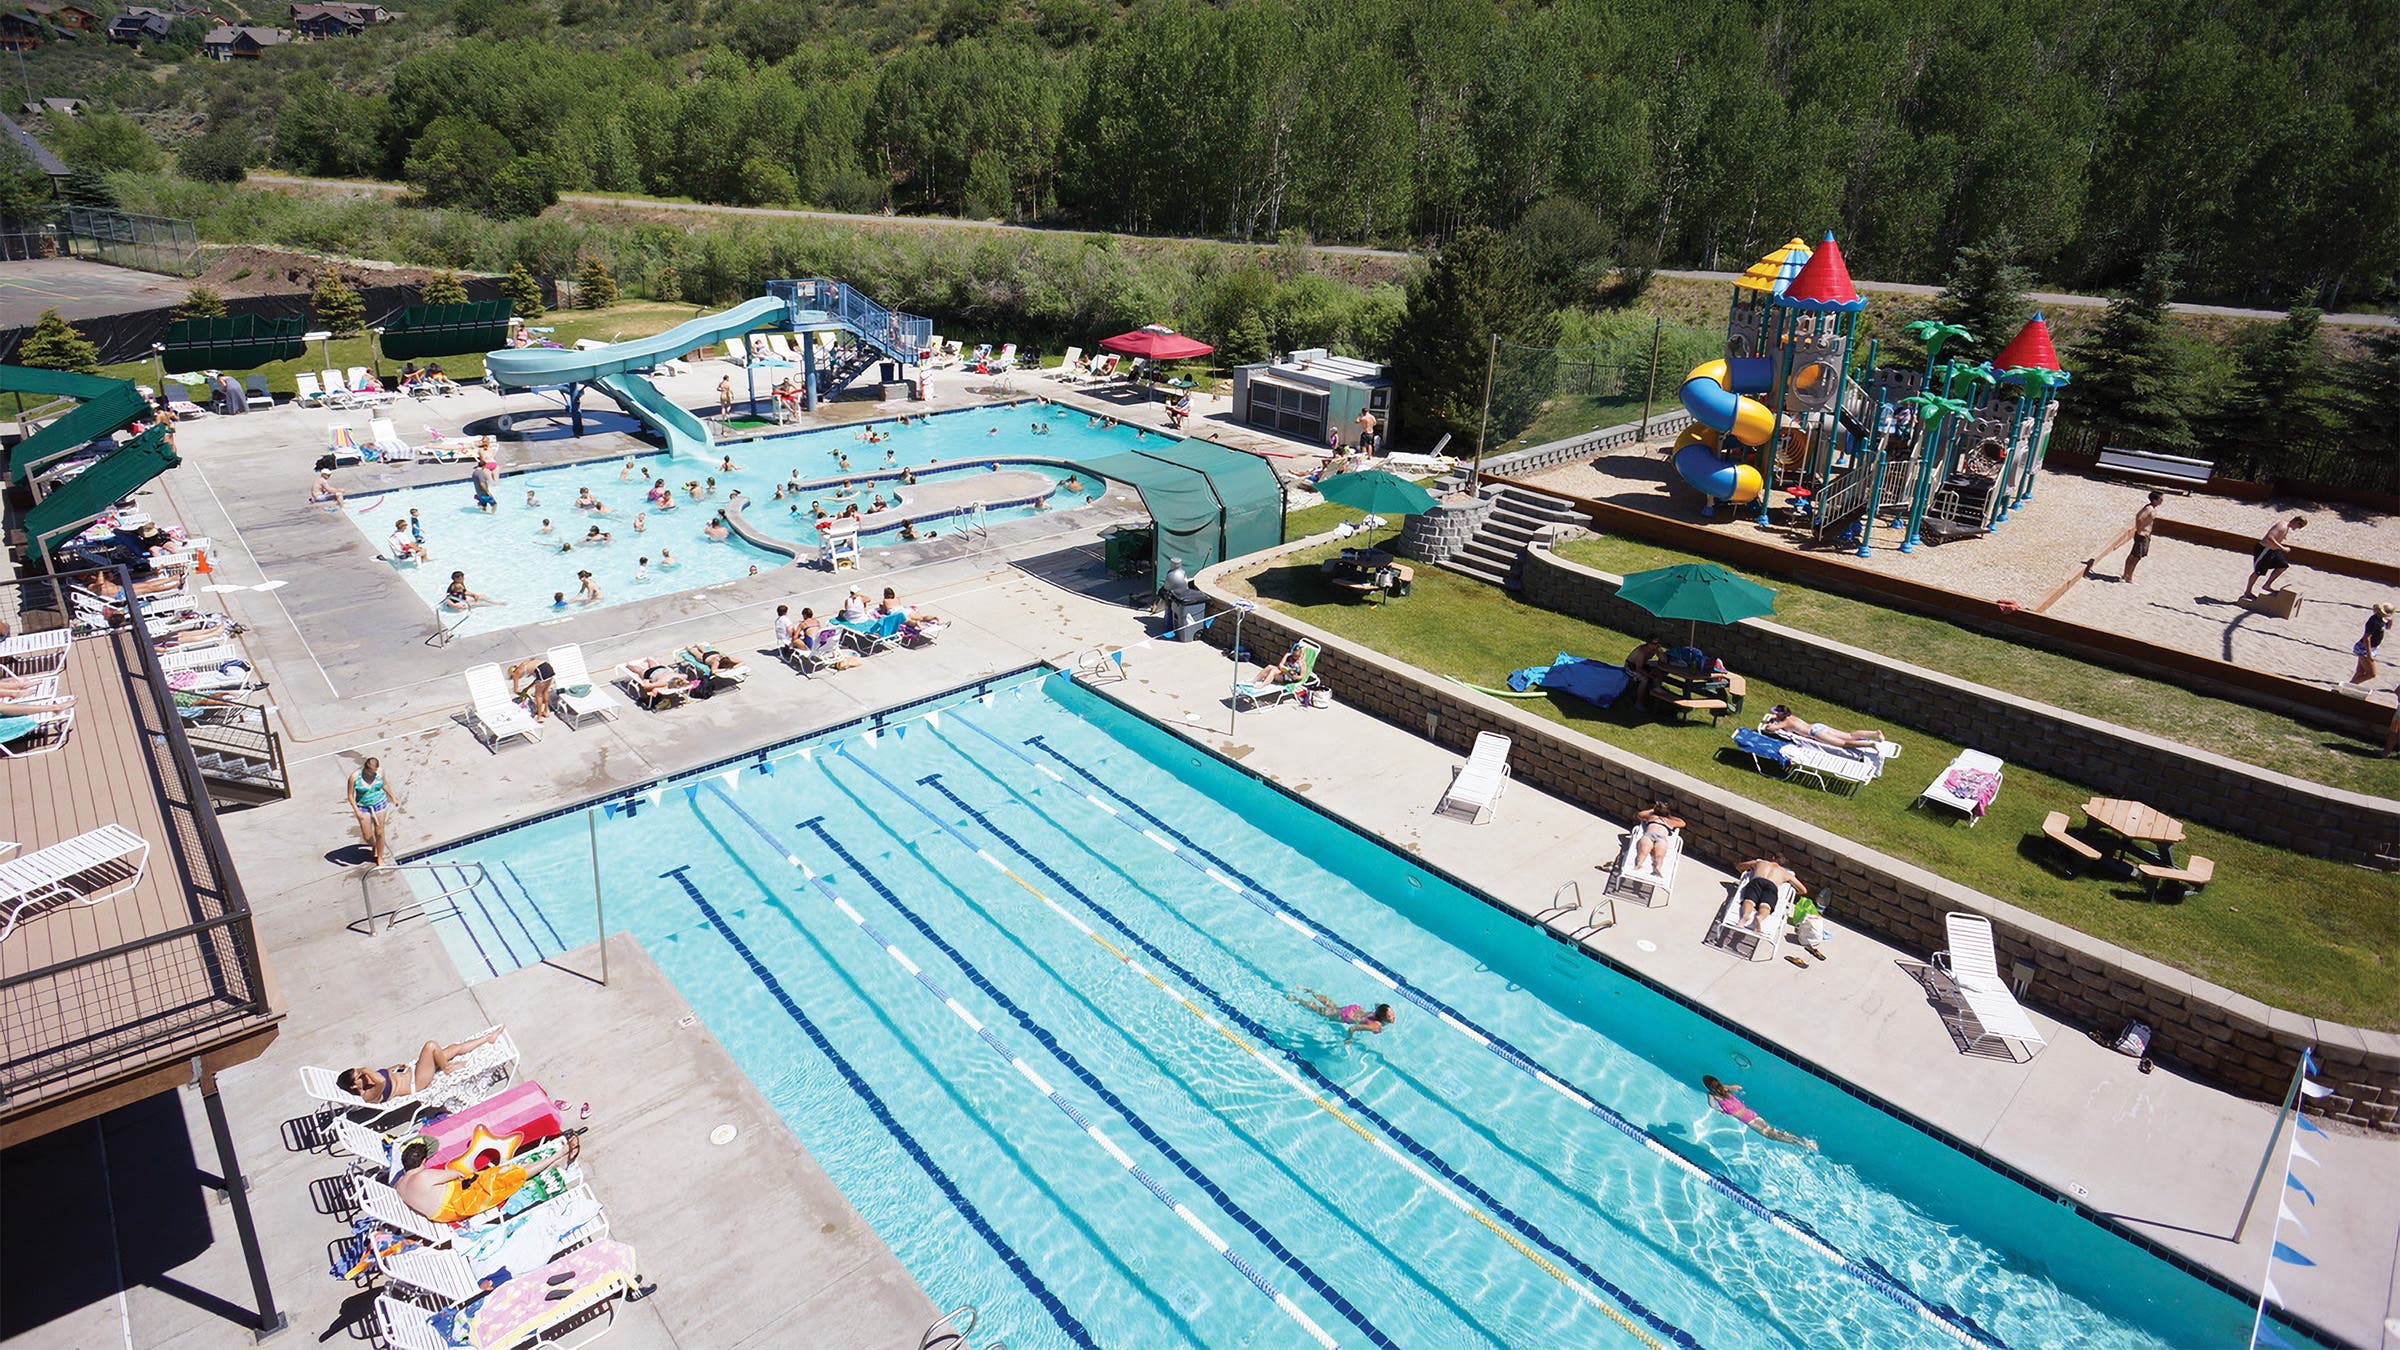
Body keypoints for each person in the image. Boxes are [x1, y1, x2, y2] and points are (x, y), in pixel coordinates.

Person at [393, 1133, 581, 1225]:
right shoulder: (423, 1176)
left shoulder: (399, 1184)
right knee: (511, 1176)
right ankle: (557, 1156)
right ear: (423, 1161)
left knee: (499, 1173)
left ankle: (554, 1162)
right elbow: (456, 1174)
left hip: (444, 1211)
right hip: (458, 1204)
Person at [334, 1027, 507, 1105]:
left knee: (454, 1048)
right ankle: (447, 1068)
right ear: (353, 1086)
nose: (363, 1075)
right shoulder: (367, 1095)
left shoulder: (367, 1080)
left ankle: (488, 1038)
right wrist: (364, 1069)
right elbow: (381, 1081)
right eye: (359, 1076)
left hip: (414, 1071)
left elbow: (385, 1074)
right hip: (417, 1082)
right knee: (431, 1046)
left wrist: (396, 1068)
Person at [1700, 1075, 1815, 1150]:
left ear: (1708, 1087)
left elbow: (1711, 1105)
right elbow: (1738, 1087)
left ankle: (1800, 1143)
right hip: (1751, 1113)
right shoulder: (1724, 1088)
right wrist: (1731, 1088)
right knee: (1772, 1130)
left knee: (1770, 1135)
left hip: (1747, 1119)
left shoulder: (1712, 1095)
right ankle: (1801, 1140)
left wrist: (1719, 1110)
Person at [1290, 988, 1397, 1045]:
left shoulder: (1378, 1012)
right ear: (1382, 1017)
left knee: (1332, 1006)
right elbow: (1352, 1028)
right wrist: (1348, 1039)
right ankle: (1296, 999)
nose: (1393, 1017)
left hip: (1354, 1009)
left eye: (1392, 1014)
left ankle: (1311, 992)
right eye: (1390, 1016)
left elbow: (1377, 1005)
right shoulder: (1375, 1026)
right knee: (1320, 1011)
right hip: (1346, 1016)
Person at [1731, 855, 1805, 934]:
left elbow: (1739, 866)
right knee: (1766, 905)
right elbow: (1803, 890)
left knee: (1750, 900)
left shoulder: (1760, 862)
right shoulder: (1786, 873)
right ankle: (1760, 918)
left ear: (1773, 858)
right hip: (1772, 886)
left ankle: (1745, 916)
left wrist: (1745, 876)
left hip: (1757, 881)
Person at [348, 756, 398, 868]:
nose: (373, 775)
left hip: (379, 804)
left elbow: (384, 784)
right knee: (367, 836)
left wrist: (393, 797)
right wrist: (357, 811)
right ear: (366, 768)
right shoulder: (354, 777)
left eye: (375, 772)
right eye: (371, 772)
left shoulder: (380, 772)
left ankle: (380, 857)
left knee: (379, 832)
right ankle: (374, 845)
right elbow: (350, 796)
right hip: (363, 806)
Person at [2243, 514, 2307, 599]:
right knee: (2258, 572)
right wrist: (2282, 548)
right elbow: (2270, 537)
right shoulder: (2282, 526)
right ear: (2297, 522)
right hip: (2264, 549)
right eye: (2300, 526)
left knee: (2283, 566)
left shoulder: (2286, 527)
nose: (2299, 528)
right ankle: (2248, 592)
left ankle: (2267, 585)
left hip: (2273, 550)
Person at [1761, 705, 1883, 750]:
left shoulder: (1785, 723)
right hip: (1818, 726)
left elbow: (1769, 729)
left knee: (1843, 743)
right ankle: (1875, 733)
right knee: (1849, 735)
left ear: (1781, 714)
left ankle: (1870, 745)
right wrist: (1775, 717)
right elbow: (1779, 718)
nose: (1774, 714)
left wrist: (1771, 723)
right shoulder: (1791, 717)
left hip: (1815, 733)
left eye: (1776, 713)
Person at [2118, 490, 2163, 582]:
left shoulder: (2151, 508)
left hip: (2145, 535)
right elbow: (2139, 518)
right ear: (2155, 500)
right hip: (2142, 535)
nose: (2162, 501)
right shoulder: (2149, 509)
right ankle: (2127, 576)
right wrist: (2139, 530)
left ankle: (2127, 575)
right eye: (2160, 499)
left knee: (2136, 556)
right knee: (2135, 556)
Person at [1631, 802, 1683, 875]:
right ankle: (1639, 864)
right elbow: (1640, 814)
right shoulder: (1652, 817)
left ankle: (1657, 868)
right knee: (1643, 852)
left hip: (1661, 839)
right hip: (1649, 836)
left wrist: (1669, 816)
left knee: (1659, 856)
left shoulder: (1670, 821)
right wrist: (1652, 811)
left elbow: (1682, 823)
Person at [2354, 603, 2394, 685]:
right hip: (2365, 649)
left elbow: (2387, 627)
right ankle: (2350, 684)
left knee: (2360, 672)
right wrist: (2369, 654)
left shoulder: (2381, 619)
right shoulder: (2374, 622)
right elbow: (2366, 638)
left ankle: (2349, 686)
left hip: (2372, 648)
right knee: (2372, 674)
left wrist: (2390, 621)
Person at [509, 656, 555, 721]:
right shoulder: (524, 665)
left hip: (541, 669)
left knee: (538, 695)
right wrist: (527, 688)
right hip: (547, 667)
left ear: (512, 673)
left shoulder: (515, 673)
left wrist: (523, 694)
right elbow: (537, 680)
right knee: (545, 691)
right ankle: (545, 712)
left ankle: (539, 717)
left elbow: (516, 690)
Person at [1624, 636, 1668, 704]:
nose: (1656, 645)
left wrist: (1660, 651)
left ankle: (1656, 688)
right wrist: (1651, 677)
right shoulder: (1642, 652)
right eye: (1654, 643)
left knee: (1659, 669)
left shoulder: (1655, 649)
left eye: (1658, 643)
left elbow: (1664, 661)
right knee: (1644, 679)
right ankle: (1638, 702)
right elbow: (1638, 668)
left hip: (1643, 664)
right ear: (1648, 643)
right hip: (1631, 666)